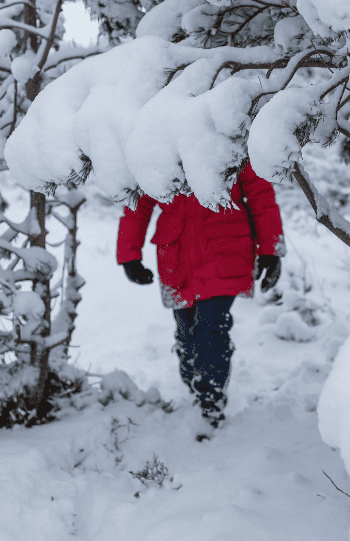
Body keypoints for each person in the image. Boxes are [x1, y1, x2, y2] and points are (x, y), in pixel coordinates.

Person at [117, 162, 284, 429]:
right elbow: (139, 199)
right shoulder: (158, 141)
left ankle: (210, 404)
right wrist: (129, 254)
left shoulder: (227, 133)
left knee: (209, 328)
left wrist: (270, 249)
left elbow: (259, 194)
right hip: (177, 256)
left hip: (225, 250)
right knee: (187, 334)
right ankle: (197, 392)